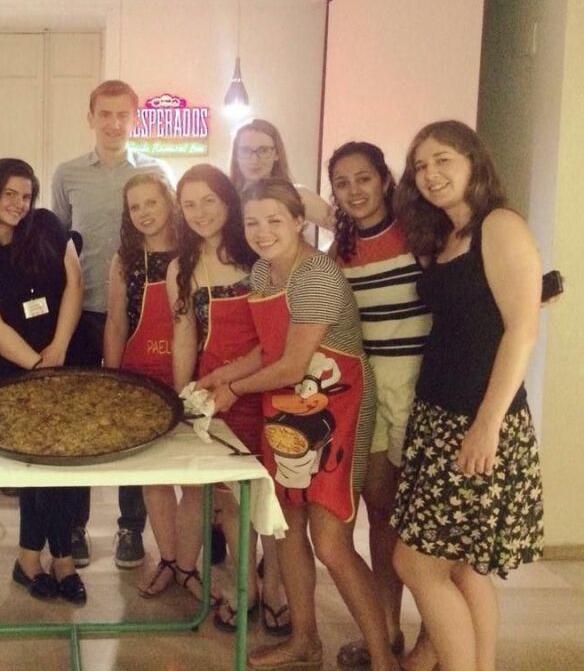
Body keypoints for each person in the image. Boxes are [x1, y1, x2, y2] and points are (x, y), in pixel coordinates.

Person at [200, 178, 394, 671]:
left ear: (298, 221)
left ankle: (383, 658)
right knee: (287, 529)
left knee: (331, 543)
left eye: (274, 220)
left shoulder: (317, 274)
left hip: (337, 406)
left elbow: (292, 365)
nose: (262, 232)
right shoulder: (263, 272)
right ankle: (304, 640)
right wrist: (222, 374)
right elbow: (271, 349)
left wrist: (234, 389)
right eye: (252, 222)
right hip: (285, 407)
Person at [390, 121, 543, 671]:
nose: (430, 174)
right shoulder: (446, 235)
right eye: (420, 166)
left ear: (473, 161)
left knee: (416, 564)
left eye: (443, 160)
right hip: (439, 416)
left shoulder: (498, 224)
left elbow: (522, 330)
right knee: (463, 568)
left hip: (476, 421)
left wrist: (487, 425)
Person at [51, 79, 172, 569]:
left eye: (123, 114)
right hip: (82, 312)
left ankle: (130, 527)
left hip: (141, 313)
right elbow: (58, 244)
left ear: (135, 119)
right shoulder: (67, 175)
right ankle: (74, 526)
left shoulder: (154, 173)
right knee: (79, 418)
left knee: (134, 417)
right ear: (91, 117)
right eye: (105, 114)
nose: (114, 123)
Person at [0, 158, 88, 604]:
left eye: (26, 195)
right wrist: (37, 367)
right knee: (33, 464)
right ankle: (43, 560)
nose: (19, 203)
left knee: (62, 463)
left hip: (66, 354)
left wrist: (58, 350)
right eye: (9, 194)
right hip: (15, 369)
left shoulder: (47, 225)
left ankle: (49, 559)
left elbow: (74, 284)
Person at [327, 141, 434, 670]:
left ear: (385, 180)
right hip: (368, 391)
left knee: (429, 524)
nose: (354, 191)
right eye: (342, 183)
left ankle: (437, 640)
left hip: (421, 390)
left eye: (363, 178)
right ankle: (388, 629)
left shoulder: (421, 234)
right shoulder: (338, 251)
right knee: (381, 513)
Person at [167, 164, 280, 632]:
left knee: (272, 496)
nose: (200, 213)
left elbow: (275, 339)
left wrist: (232, 381)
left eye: (208, 201)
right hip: (213, 394)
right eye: (189, 204)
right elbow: (184, 337)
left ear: (228, 201)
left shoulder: (259, 253)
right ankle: (245, 587)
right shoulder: (181, 266)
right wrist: (182, 399)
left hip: (268, 385)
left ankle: (276, 590)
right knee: (229, 498)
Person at [102, 173, 189, 598]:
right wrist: (112, 378)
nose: (143, 213)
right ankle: (168, 557)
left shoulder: (192, 253)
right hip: (139, 379)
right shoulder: (125, 260)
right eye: (134, 207)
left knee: (195, 476)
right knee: (154, 475)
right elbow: (116, 323)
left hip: (188, 375)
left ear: (169, 201)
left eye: (151, 202)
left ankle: (190, 560)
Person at [228, 119, 334, 233]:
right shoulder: (225, 199)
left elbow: (344, 228)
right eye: (245, 151)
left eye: (264, 150)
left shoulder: (298, 195)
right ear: (236, 155)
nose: (254, 160)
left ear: (277, 154)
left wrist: (311, 246)